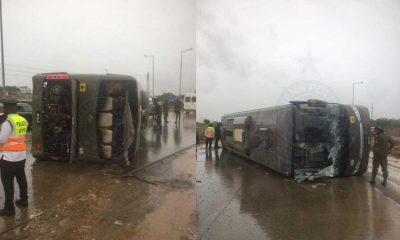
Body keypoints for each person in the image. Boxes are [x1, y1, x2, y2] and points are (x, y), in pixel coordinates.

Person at [0, 99, 29, 216]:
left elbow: (2, 140)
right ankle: (24, 200)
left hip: (8, 158)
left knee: (8, 183)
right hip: (21, 156)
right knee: (21, 178)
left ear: (6, 108)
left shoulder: (8, 123)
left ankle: (9, 208)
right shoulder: (23, 120)